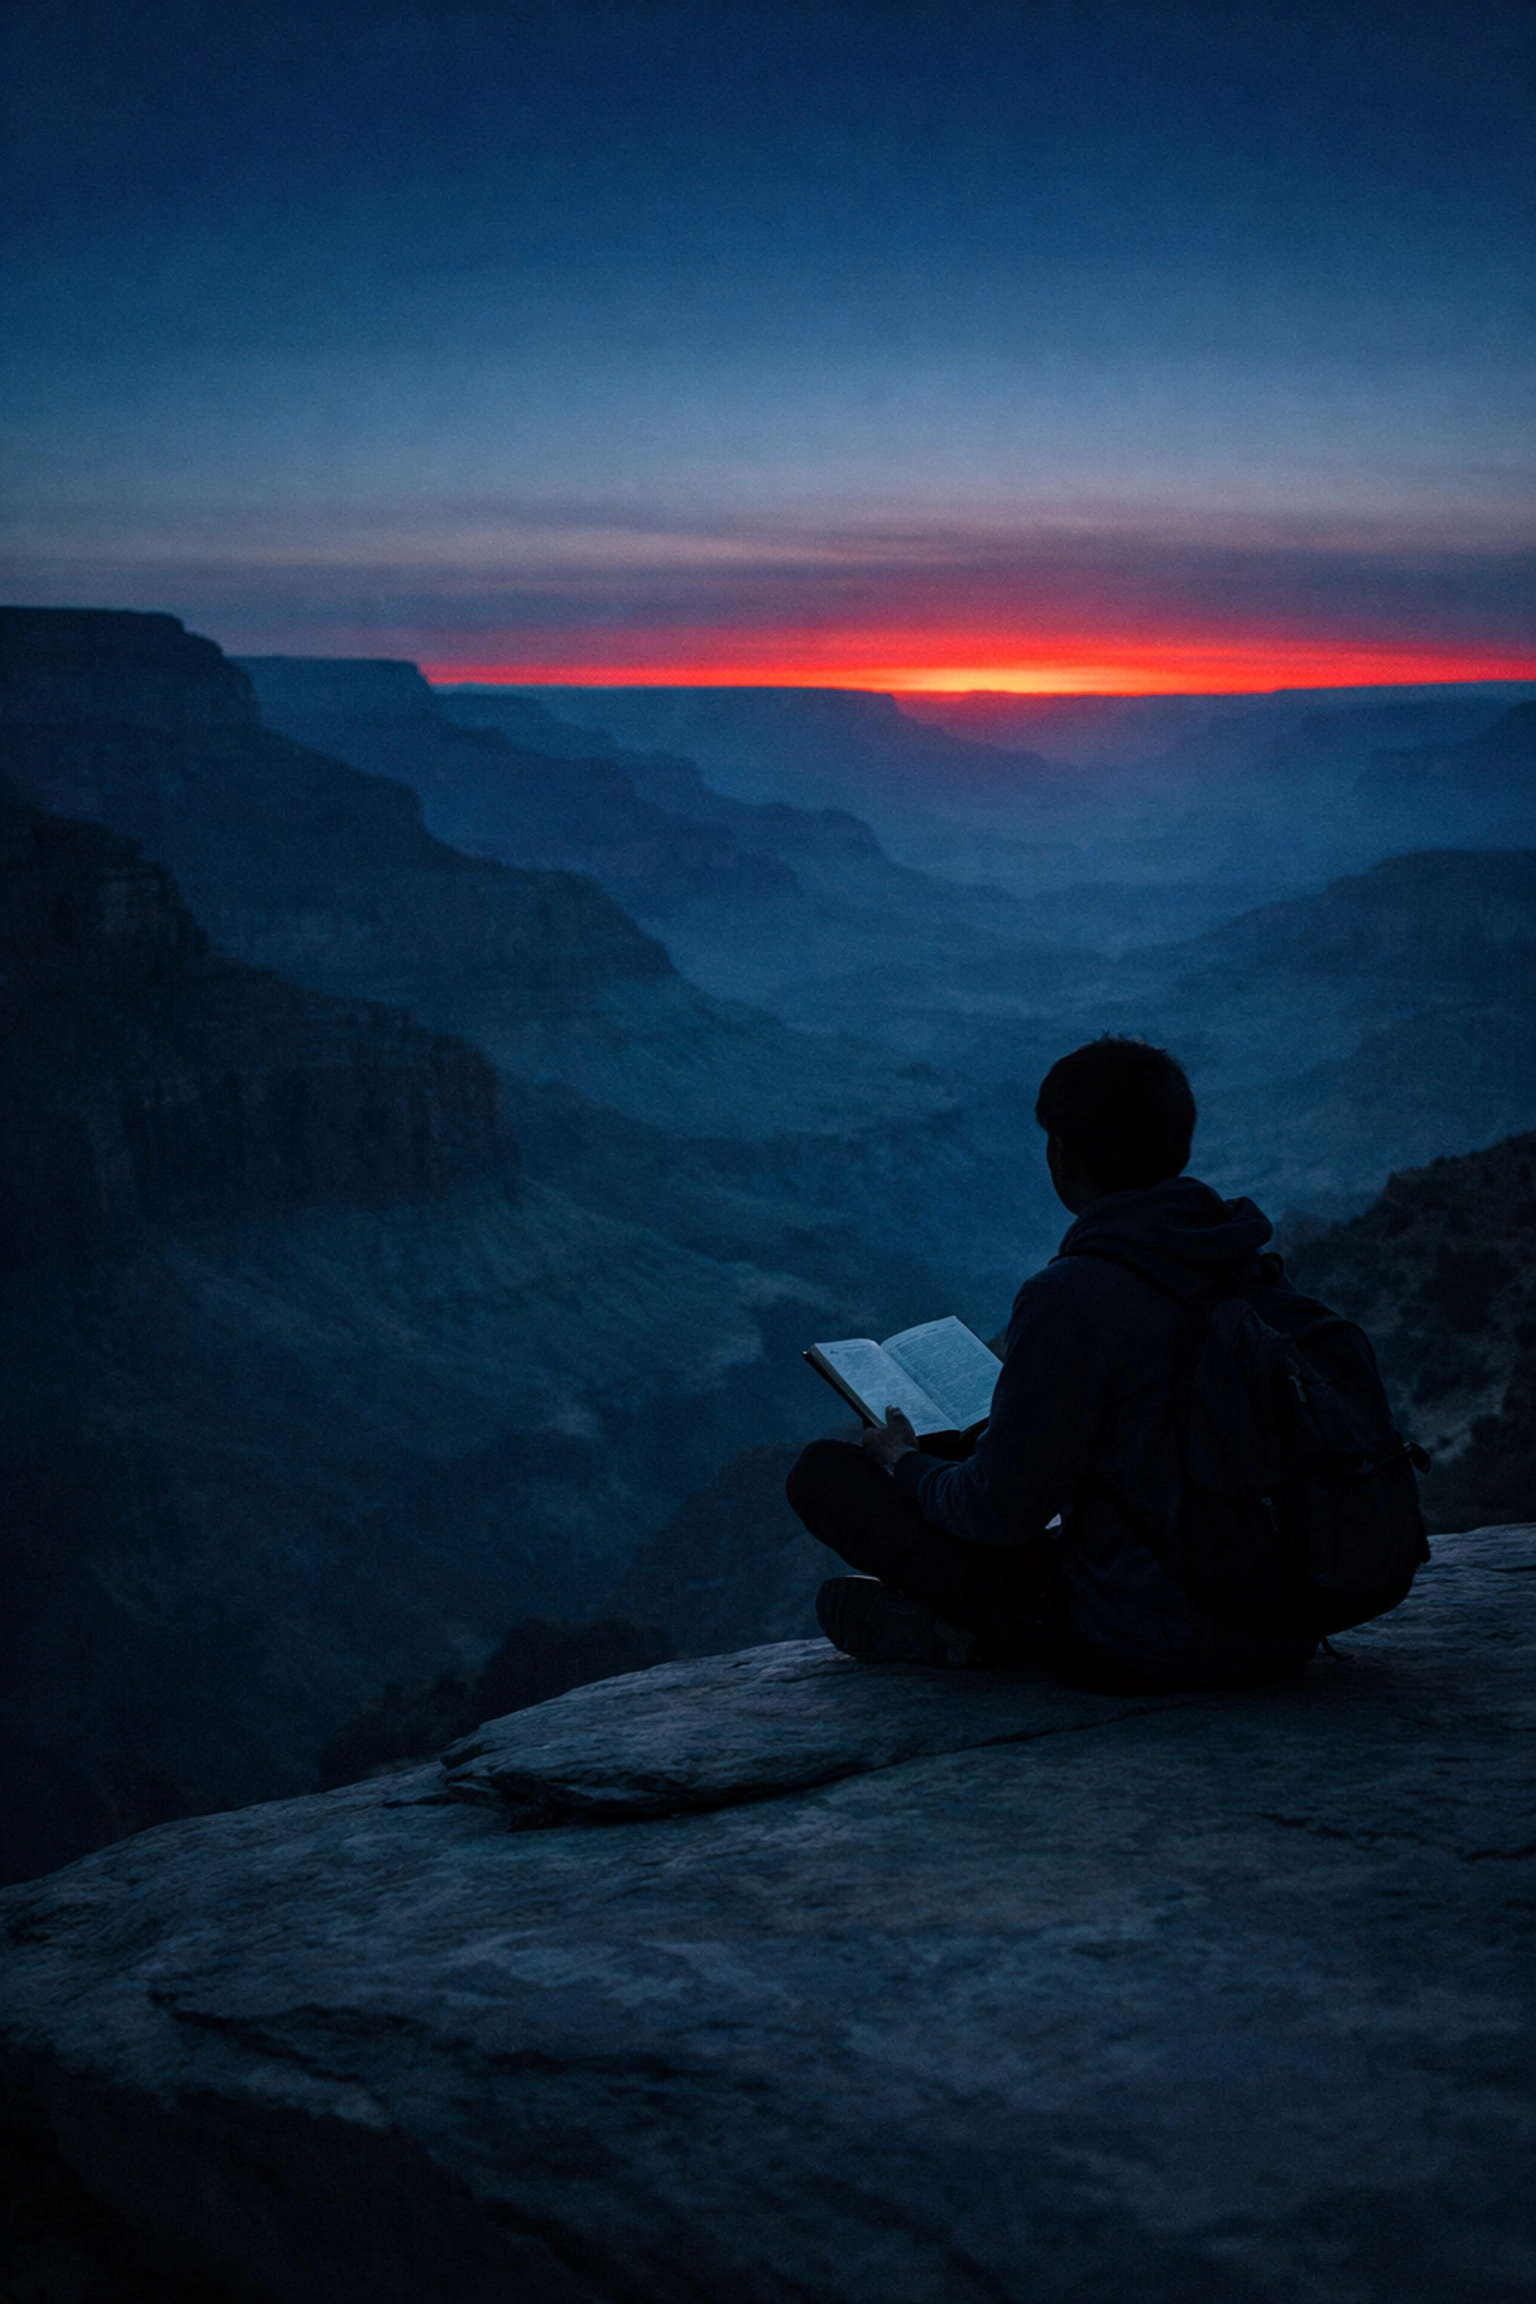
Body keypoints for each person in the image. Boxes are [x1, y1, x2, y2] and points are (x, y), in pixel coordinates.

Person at [785, 1035, 1318, 1692]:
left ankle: (965, 1633)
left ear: (1061, 1157)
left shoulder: (1074, 1295)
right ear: (1179, 1143)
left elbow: (996, 1514)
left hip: (1147, 1635)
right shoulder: (1243, 1259)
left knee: (825, 1474)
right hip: (1284, 1618)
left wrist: (902, 1460)